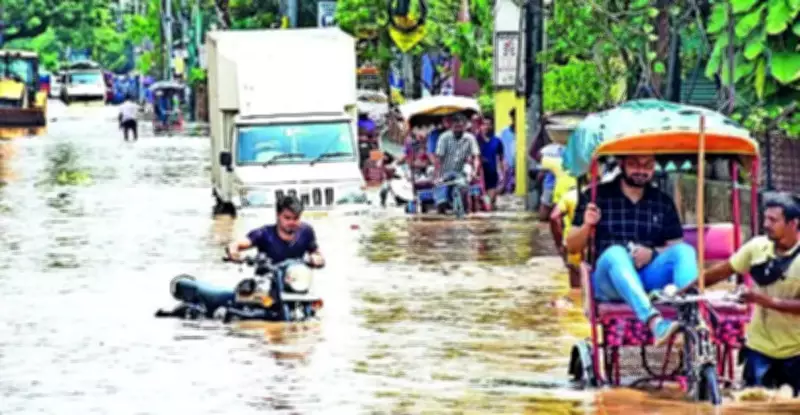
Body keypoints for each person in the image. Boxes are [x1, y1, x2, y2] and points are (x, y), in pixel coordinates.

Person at [566, 155, 698, 346]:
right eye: (634, 164)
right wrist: (587, 225)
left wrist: (652, 254)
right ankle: (655, 322)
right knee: (615, 253)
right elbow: (572, 246)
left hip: (648, 277)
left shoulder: (662, 202)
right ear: (622, 165)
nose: (641, 171)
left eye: (648, 166)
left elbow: (673, 246)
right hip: (609, 281)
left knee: (685, 251)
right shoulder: (595, 196)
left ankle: (692, 318)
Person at [700, 192, 800, 396]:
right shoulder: (757, 247)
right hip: (759, 347)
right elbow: (721, 271)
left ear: (793, 223)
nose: (766, 224)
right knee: (753, 405)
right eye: (765, 218)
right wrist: (681, 290)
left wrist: (763, 300)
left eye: (773, 220)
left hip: (796, 351)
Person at [433, 113, 481, 213]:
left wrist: (475, 172)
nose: (458, 130)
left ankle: (466, 211)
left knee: (465, 188)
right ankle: (442, 205)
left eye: (460, 127)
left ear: (464, 127)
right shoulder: (444, 137)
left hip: (461, 172)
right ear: (451, 126)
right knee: (441, 199)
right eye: (455, 127)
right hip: (445, 171)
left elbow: (476, 157)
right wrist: (437, 176)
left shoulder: (470, 138)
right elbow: (439, 158)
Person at [477, 115, 505, 209]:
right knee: (480, 205)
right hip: (479, 176)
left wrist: (503, 177)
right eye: (484, 124)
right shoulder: (475, 140)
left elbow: (501, 159)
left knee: (489, 203)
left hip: (492, 174)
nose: (486, 126)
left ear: (492, 126)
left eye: (488, 124)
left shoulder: (497, 141)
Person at [499, 108, 517, 194]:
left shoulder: (526, 132)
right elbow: (499, 150)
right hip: (508, 168)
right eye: (514, 117)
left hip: (521, 168)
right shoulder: (504, 132)